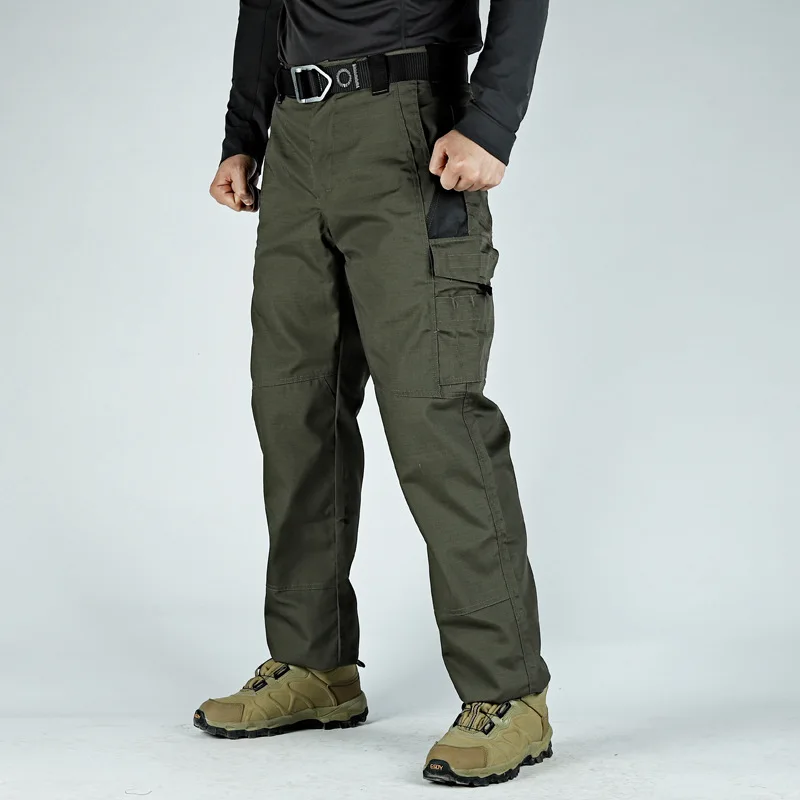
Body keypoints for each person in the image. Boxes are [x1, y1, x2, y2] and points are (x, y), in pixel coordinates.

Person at [194, 0, 552, 787]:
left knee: (435, 414)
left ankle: (509, 693)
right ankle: (314, 664)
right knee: (294, 407)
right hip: (294, 135)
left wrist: (492, 120)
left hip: (407, 127)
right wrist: (243, 133)